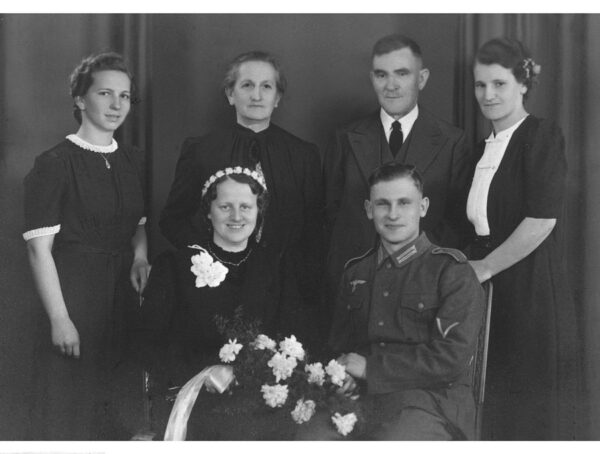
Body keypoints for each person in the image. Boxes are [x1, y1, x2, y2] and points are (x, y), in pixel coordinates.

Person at [297, 162, 484, 440]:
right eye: (382, 204)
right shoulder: (356, 272)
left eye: (404, 203)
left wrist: (370, 369)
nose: (393, 214)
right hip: (360, 402)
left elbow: (451, 358)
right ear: (369, 209)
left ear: (423, 207)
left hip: (428, 405)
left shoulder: (451, 271)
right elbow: (340, 347)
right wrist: (343, 374)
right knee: (309, 439)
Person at [23, 52, 150, 440]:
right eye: (105, 94)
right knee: (73, 410)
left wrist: (140, 256)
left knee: (121, 408)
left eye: (124, 96)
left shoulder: (132, 159)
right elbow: (38, 251)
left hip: (122, 298)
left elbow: (138, 223)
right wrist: (60, 319)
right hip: (75, 298)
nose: (116, 105)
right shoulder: (54, 163)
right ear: (80, 99)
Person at [159, 50, 325, 347]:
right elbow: (173, 220)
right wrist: (210, 262)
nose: (257, 95)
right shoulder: (201, 150)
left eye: (266, 86)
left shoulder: (303, 155)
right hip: (218, 291)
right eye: (247, 85)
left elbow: (315, 230)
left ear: (278, 97)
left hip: (284, 294)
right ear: (230, 94)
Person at [466, 37, 579, 440]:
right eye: (481, 85)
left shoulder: (541, 135)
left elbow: (541, 220)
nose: (488, 95)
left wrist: (485, 267)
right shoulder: (481, 149)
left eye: (499, 84)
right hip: (489, 291)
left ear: (524, 84)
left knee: (525, 409)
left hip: (529, 289)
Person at [139, 167, 295, 439]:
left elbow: (288, 337)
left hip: (262, 403)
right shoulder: (175, 266)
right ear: (208, 212)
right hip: (195, 404)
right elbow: (148, 344)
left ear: (258, 212)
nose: (236, 216)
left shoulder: (275, 265)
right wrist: (202, 374)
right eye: (225, 206)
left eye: (245, 207)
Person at [324, 34, 472, 313]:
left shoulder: (452, 141)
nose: (390, 85)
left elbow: (457, 222)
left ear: (422, 78)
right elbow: (330, 214)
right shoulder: (345, 138)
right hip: (354, 289)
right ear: (372, 78)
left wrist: (419, 267)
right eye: (382, 75)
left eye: (402, 74)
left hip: (422, 290)